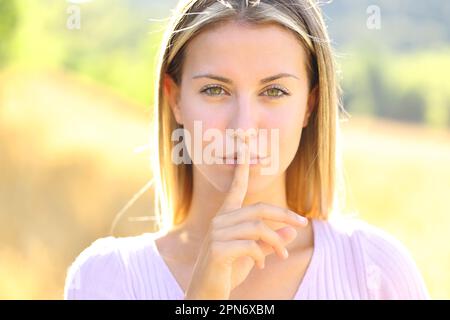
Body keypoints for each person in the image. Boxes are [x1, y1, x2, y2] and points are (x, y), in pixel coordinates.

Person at [64, 0, 430, 300]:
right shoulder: (105, 279)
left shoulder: (375, 271)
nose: (242, 128)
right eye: (214, 90)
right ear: (175, 99)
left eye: (273, 92)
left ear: (309, 105)